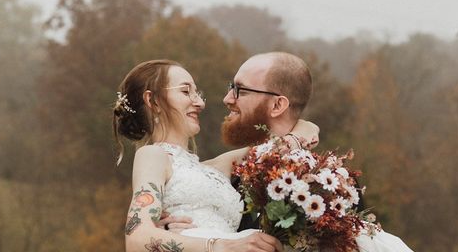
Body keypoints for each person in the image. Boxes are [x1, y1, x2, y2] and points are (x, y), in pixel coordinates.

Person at [162, 52, 415, 252]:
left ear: (277, 104)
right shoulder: (219, 179)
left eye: (240, 90)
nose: (228, 98)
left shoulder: (331, 187)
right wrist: (169, 233)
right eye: (231, 87)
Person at [112, 59, 319, 252]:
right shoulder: (153, 155)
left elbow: (303, 129)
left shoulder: (218, 166)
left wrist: (296, 138)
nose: (200, 103)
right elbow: (137, 237)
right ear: (153, 101)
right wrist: (222, 245)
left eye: (198, 94)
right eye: (186, 91)